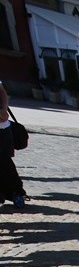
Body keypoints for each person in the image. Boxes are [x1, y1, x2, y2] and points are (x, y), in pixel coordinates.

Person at [0, 80, 26, 208]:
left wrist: (4, 110)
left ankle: (17, 193)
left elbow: (2, 93)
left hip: (1, 127)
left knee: (5, 162)